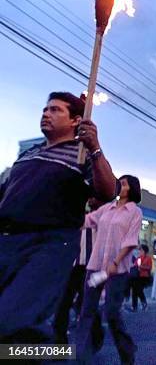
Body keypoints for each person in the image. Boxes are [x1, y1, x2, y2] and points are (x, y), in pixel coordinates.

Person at [0, 92, 116, 345]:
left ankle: (47, 354)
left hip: (49, 244)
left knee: (12, 320)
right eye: (45, 109)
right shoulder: (28, 155)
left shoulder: (81, 154)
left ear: (76, 120)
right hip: (7, 240)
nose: (46, 114)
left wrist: (95, 147)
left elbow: (107, 191)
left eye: (55, 110)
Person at [75, 175, 143, 364]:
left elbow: (131, 241)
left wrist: (115, 261)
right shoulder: (107, 208)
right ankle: (81, 355)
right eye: (118, 183)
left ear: (131, 189)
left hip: (117, 270)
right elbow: (88, 221)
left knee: (112, 312)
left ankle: (127, 352)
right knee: (86, 311)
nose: (119, 186)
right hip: (95, 265)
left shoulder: (135, 212)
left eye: (123, 183)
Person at [53, 198, 101, 346]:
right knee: (62, 304)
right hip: (71, 265)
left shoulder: (101, 216)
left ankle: (94, 337)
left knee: (86, 304)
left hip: (89, 267)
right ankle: (60, 343)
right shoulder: (71, 212)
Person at [131, 244, 152, 311]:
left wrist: (142, 267)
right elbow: (135, 265)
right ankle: (134, 306)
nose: (140, 251)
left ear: (145, 250)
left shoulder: (148, 258)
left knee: (139, 290)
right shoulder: (138, 258)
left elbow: (149, 267)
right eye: (140, 249)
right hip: (137, 276)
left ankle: (144, 303)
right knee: (134, 291)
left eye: (141, 249)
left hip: (144, 277)